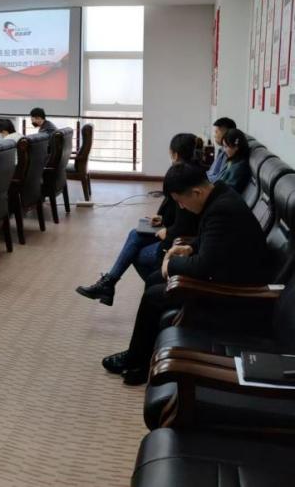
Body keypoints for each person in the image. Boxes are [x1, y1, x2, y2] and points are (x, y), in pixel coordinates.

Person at [101, 162, 269, 385]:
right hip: (227, 274)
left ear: (196, 192)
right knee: (154, 279)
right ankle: (140, 355)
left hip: (234, 293)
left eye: (180, 201)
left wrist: (171, 264)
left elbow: (202, 267)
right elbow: (212, 240)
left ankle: (137, 361)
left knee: (153, 294)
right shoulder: (220, 196)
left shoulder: (221, 210)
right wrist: (190, 247)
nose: (181, 207)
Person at [75, 133, 201, 306]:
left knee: (136, 254)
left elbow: (186, 222)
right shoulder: (192, 172)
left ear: (175, 154)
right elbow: (178, 213)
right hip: (174, 231)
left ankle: (155, 290)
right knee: (135, 234)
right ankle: (109, 284)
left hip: (179, 240)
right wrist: (162, 219)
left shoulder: (183, 178)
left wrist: (167, 231)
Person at [207, 117, 237, 182]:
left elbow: (218, 179)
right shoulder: (222, 150)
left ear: (226, 133)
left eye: (216, 132)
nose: (214, 135)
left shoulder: (229, 153)